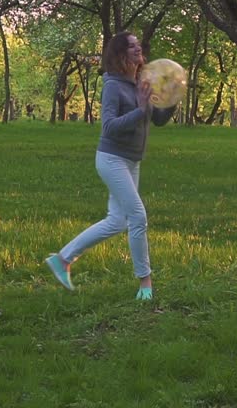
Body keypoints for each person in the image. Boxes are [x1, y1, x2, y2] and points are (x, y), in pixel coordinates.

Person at [44, 32, 175, 300]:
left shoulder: (140, 81)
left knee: (117, 221)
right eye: (132, 45)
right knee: (138, 216)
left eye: (139, 44)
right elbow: (109, 127)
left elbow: (158, 119)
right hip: (111, 158)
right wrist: (139, 109)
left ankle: (62, 260)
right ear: (120, 54)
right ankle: (145, 284)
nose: (139, 48)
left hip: (131, 160)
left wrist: (172, 96)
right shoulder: (113, 86)